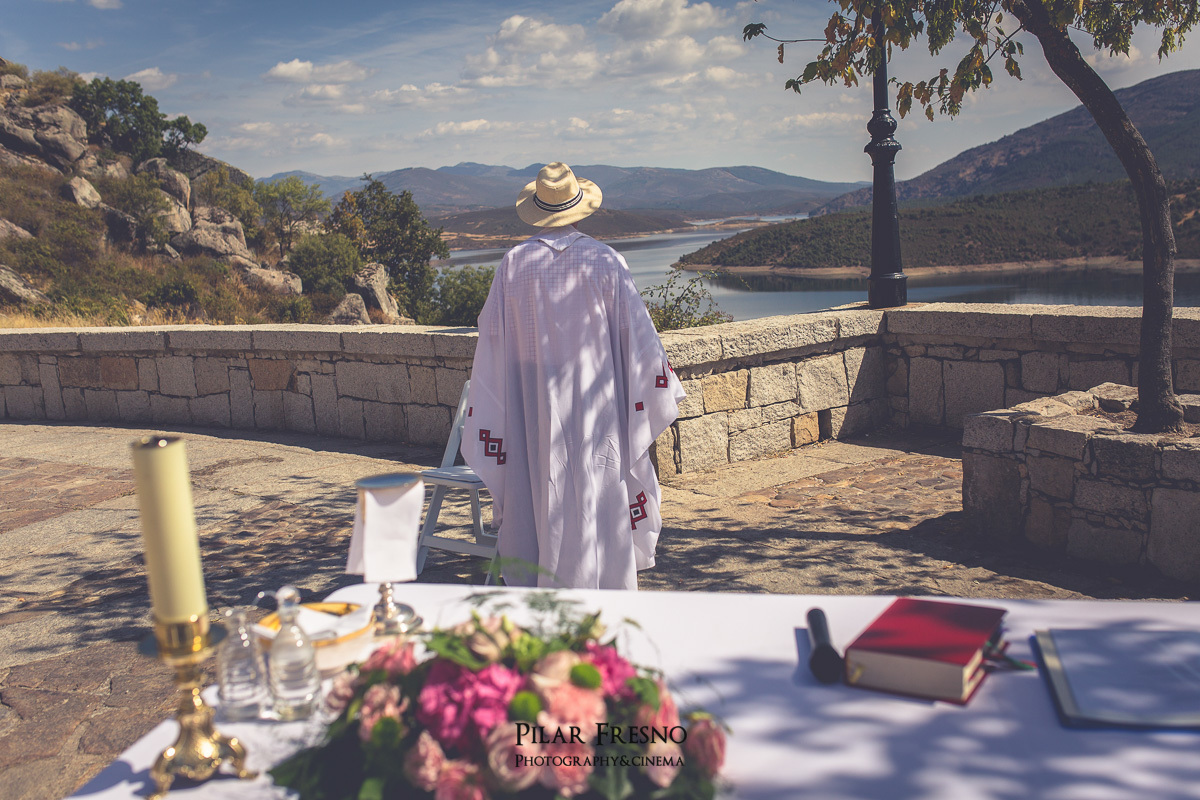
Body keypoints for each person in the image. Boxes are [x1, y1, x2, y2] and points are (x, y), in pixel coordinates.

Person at [463, 162, 685, 590]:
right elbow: (639, 342)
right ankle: (604, 593)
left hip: (532, 411)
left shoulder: (513, 265)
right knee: (600, 489)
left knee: (535, 493)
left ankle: (541, 603)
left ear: (537, 210)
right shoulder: (607, 261)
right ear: (580, 209)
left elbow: (490, 344)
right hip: (597, 408)